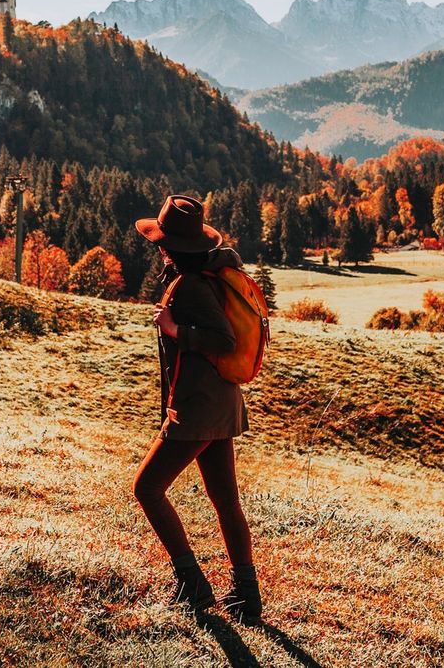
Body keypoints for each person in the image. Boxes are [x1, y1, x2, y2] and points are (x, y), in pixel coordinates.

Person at [131, 193, 262, 621]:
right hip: (220, 402)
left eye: (161, 242)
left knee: (147, 488)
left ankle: (192, 584)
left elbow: (222, 340)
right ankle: (247, 595)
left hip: (200, 407)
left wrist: (174, 328)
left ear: (168, 246)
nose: (159, 248)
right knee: (225, 499)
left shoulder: (189, 285)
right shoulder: (198, 278)